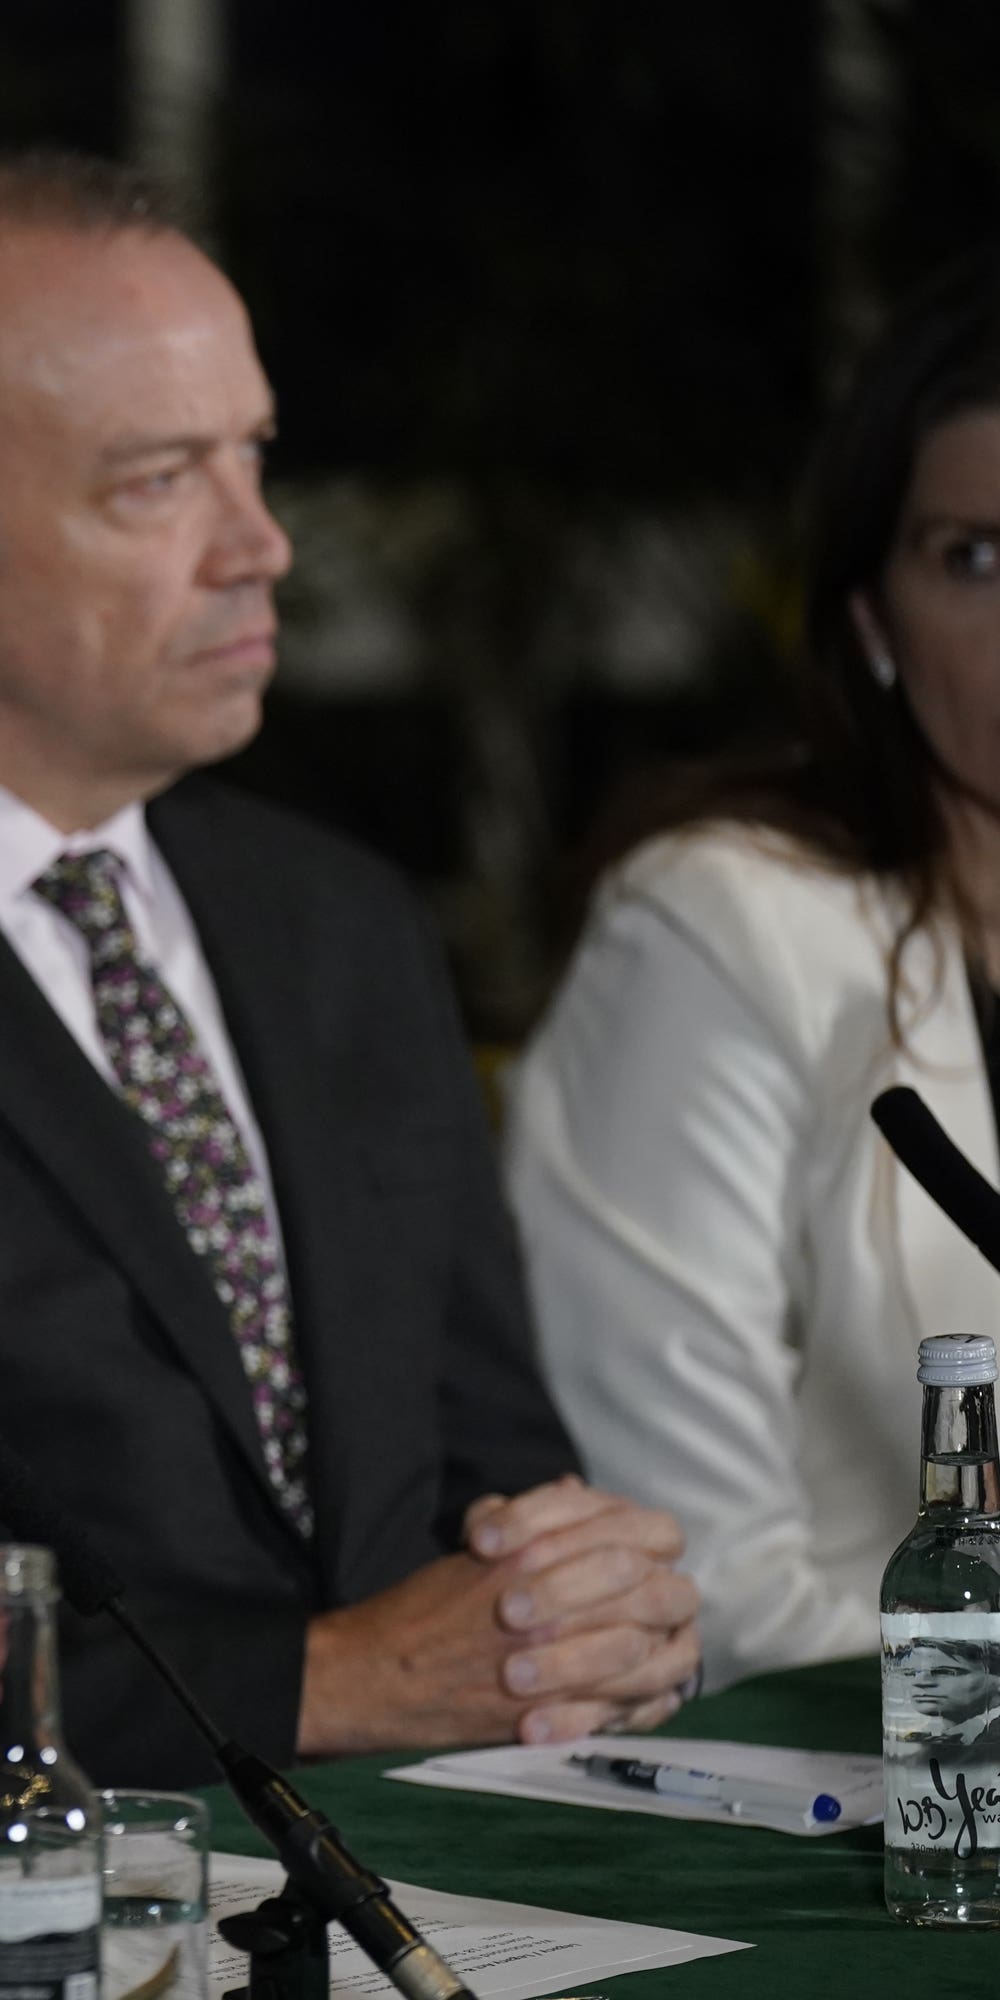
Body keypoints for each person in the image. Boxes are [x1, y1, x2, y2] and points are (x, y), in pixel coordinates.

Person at [0, 154, 702, 1842]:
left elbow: (495, 1475)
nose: (265, 547)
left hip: (478, 1877)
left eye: (255, 458)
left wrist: (586, 1595)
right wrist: (333, 1683)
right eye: (161, 480)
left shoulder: (340, 917)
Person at [511, 250, 1000, 1692]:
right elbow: (690, 1584)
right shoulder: (718, 929)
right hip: (821, 1797)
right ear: (872, 626)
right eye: (975, 557)